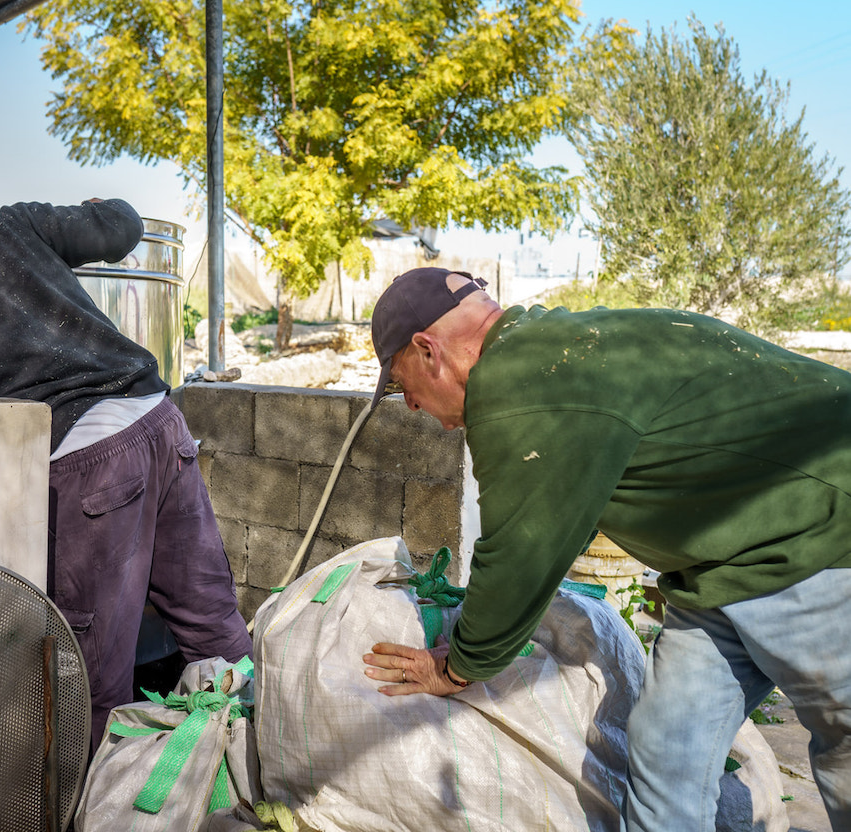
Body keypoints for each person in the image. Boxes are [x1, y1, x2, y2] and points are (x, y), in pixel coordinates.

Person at [359, 266, 851, 831]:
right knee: (668, 757)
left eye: (402, 388)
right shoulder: (551, 352)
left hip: (819, 536)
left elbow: (519, 557)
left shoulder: (520, 385)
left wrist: (458, 670)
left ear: (429, 350)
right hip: (717, 570)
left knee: (845, 743)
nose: (414, 409)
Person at [0, 198, 253, 748]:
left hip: (89, 467)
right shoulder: (5, 229)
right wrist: (100, 208)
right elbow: (122, 227)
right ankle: (258, 757)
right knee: (211, 618)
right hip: (158, 418)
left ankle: (99, 810)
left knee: (89, 677)